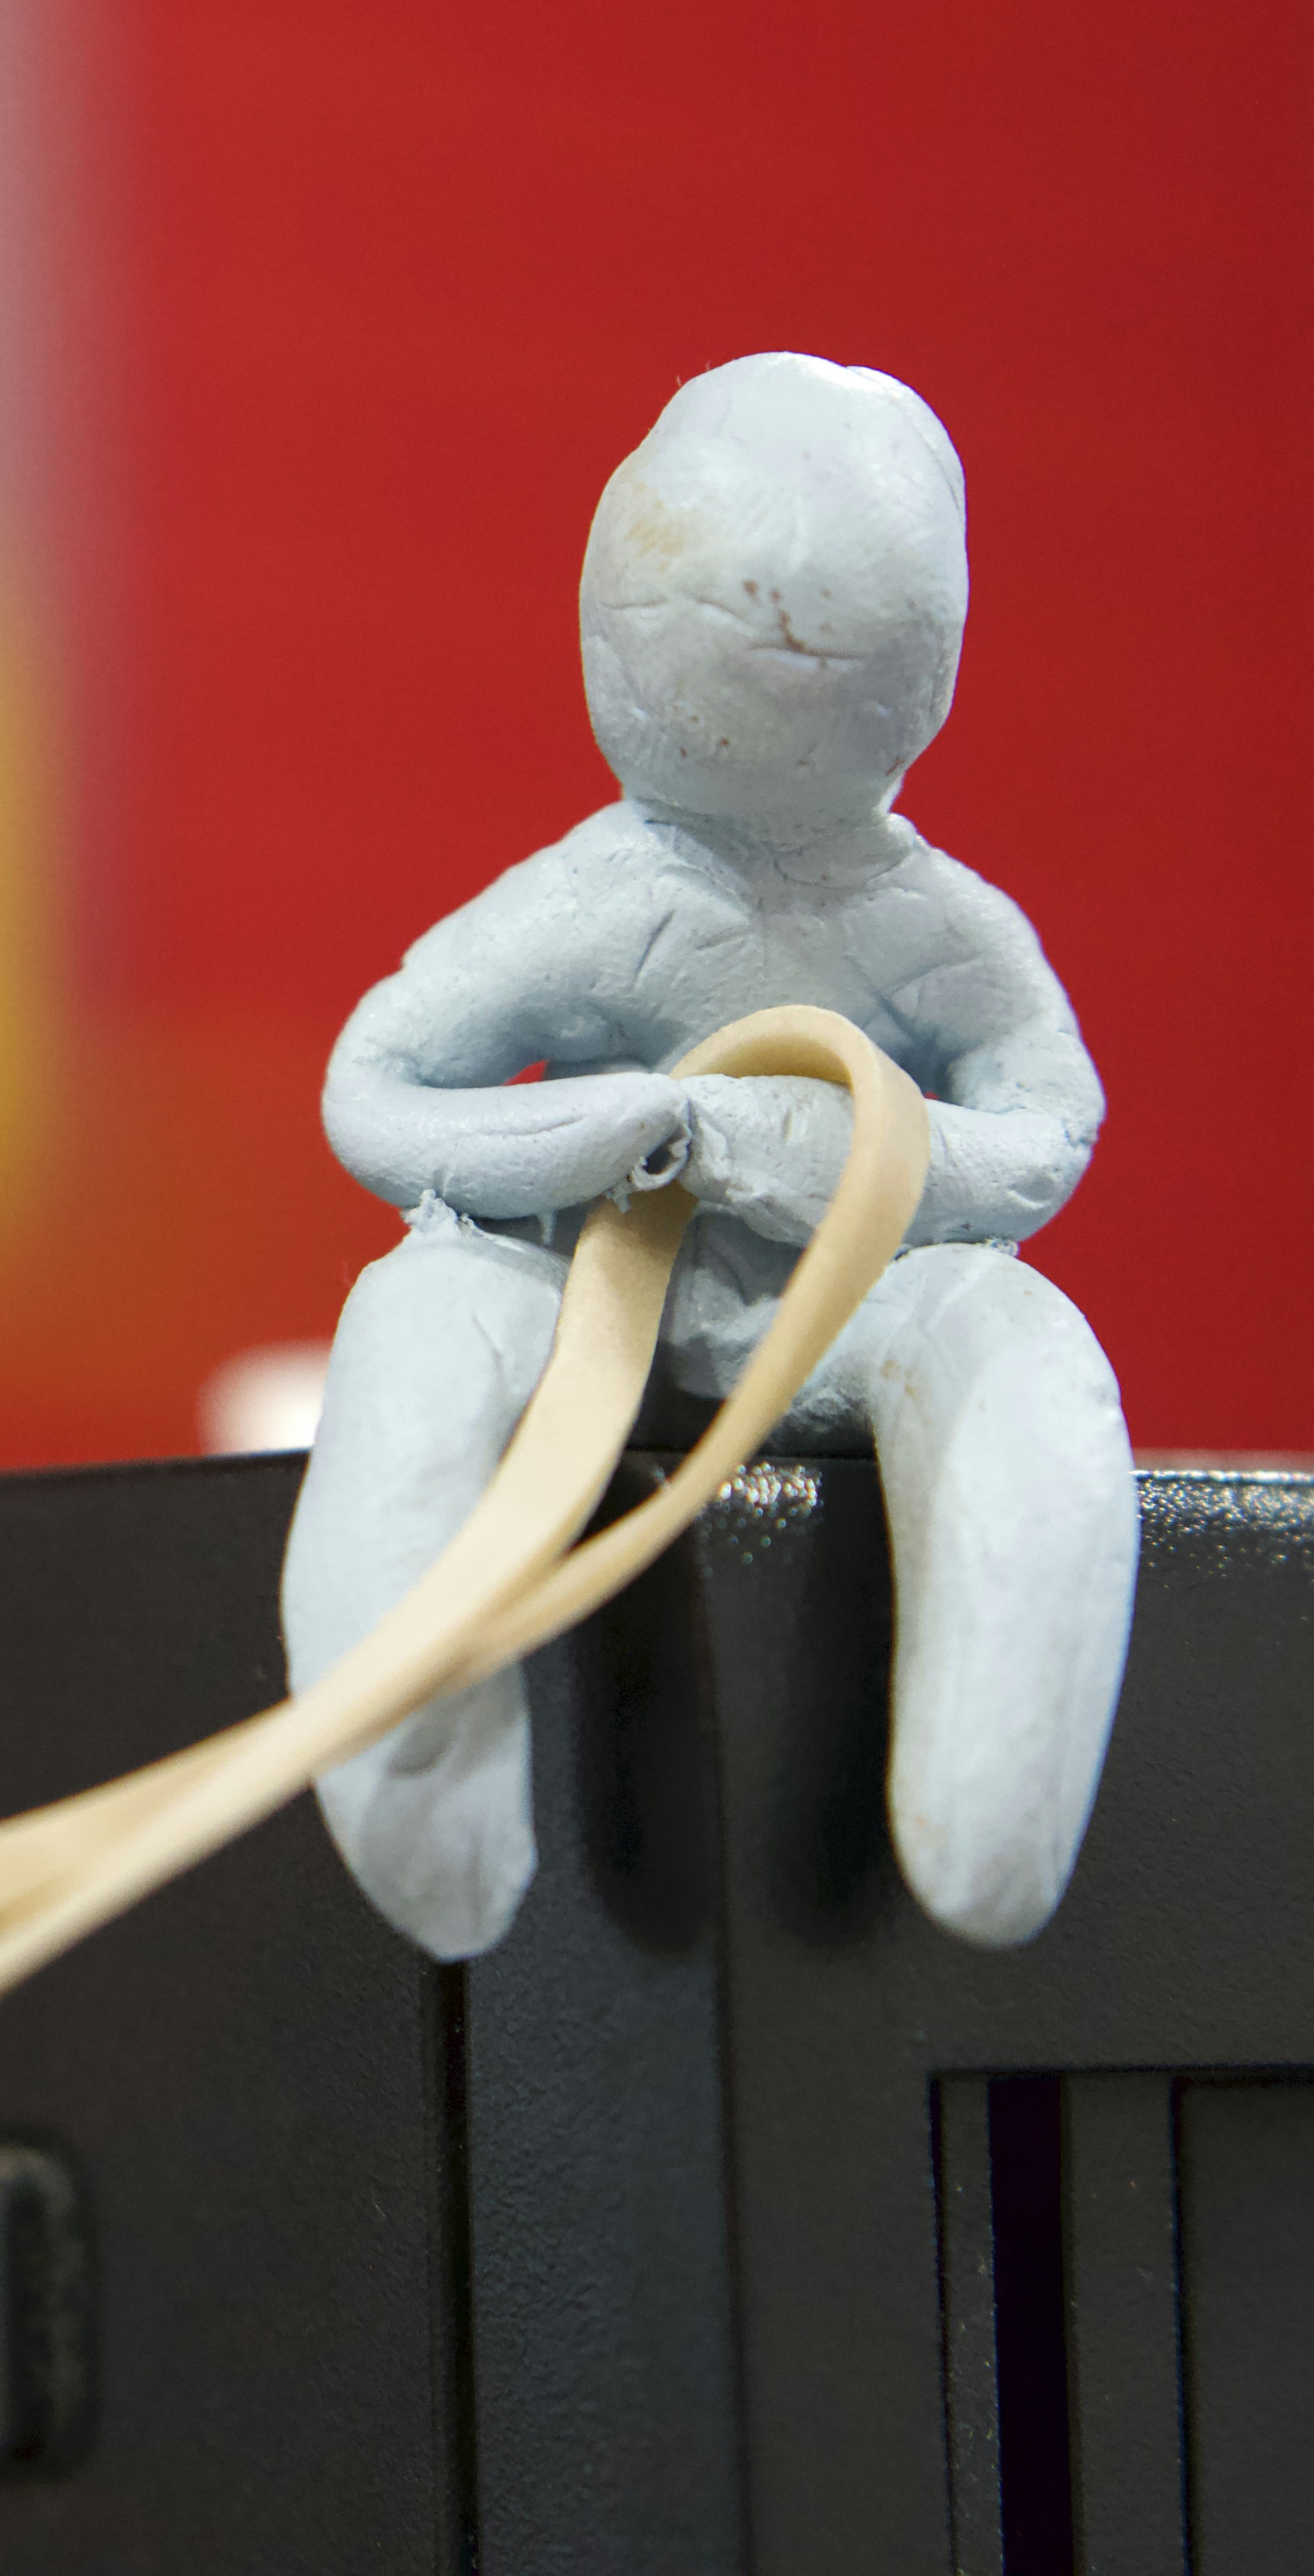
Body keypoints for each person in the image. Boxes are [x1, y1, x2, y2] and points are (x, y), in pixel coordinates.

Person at [284, 351, 1134, 1958]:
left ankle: (989, 1799)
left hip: (820, 1317)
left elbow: (1045, 1131)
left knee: (1015, 1338)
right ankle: (423, 1794)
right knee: (414, 1328)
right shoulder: (592, 900)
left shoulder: (933, 922)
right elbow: (379, 1095)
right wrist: (598, 1135)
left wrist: (817, 1149)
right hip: (580, 1299)